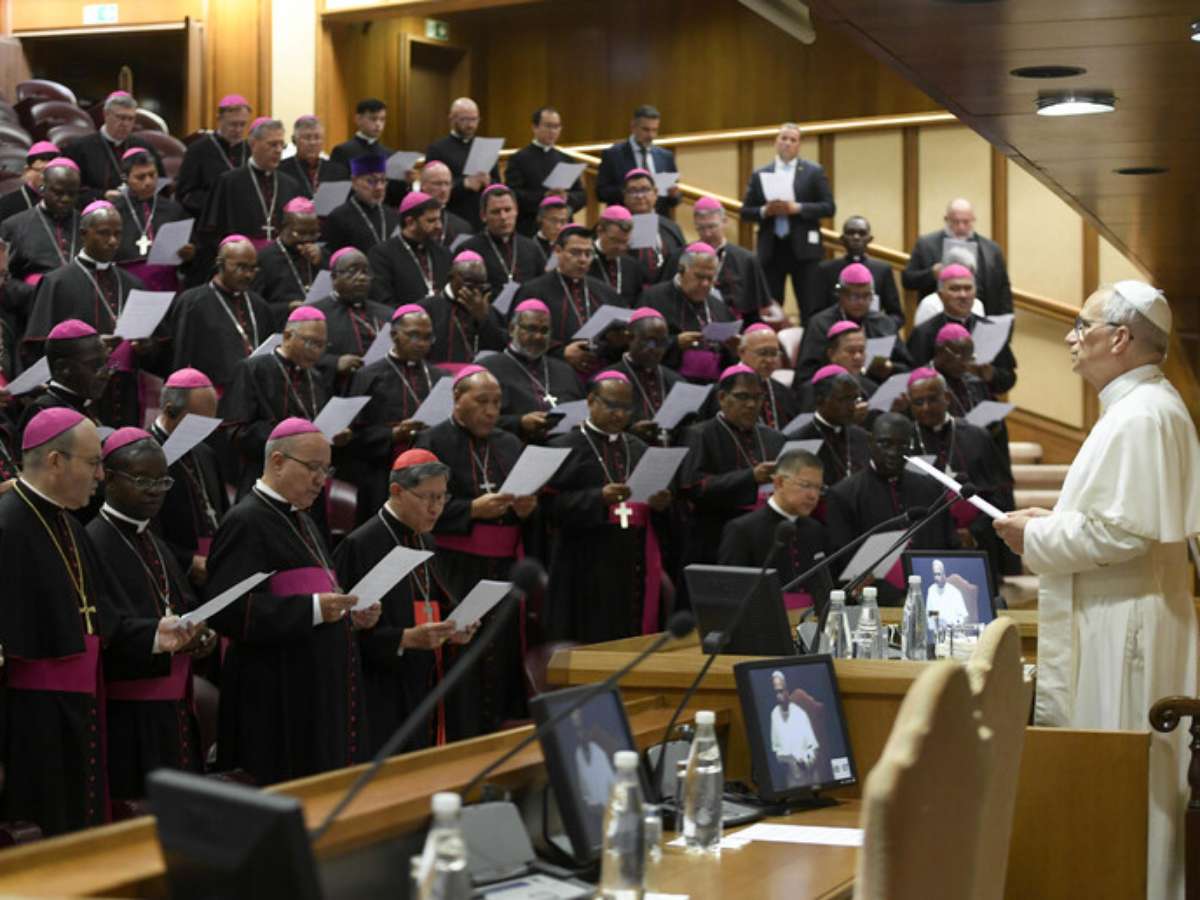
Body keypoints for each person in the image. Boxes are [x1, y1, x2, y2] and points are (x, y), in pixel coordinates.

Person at [993, 281, 1200, 900]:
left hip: (1124, 628)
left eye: (1083, 325)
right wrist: (1050, 522)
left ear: (1120, 337)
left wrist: (1034, 535)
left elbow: (1124, 531)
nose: (1070, 336)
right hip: (1126, 613)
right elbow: (1118, 519)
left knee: (1123, 777)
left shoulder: (1142, 415)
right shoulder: (1140, 406)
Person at [0, 408, 193, 834]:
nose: (101, 476)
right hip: (30, 724)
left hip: (83, 708)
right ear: (55, 461)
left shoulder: (72, 526)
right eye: (92, 463)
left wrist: (155, 634)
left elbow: (102, 620)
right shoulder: (7, 525)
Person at [204, 418, 378, 784]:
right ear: (278, 461)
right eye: (313, 468)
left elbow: (318, 592)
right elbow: (227, 611)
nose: (321, 480)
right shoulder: (246, 521)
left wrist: (348, 615)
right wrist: (314, 609)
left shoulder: (303, 519)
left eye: (326, 470)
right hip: (276, 694)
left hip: (314, 688)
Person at [86, 428, 209, 802]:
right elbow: (105, 630)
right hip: (131, 719)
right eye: (143, 480)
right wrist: (159, 636)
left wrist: (201, 636)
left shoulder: (155, 542)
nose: (155, 490)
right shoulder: (93, 541)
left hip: (176, 710)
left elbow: (183, 604)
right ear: (109, 478)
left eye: (162, 480)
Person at [414, 367, 537, 737]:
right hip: (454, 567)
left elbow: (529, 505)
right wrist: (470, 510)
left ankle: (499, 729)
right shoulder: (431, 442)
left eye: (497, 403)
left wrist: (528, 509)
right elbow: (418, 506)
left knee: (501, 652)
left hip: (504, 565)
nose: (491, 411)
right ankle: (460, 736)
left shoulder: (510, 443)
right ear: (457, 399)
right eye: (482, 401)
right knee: (463, 652)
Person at [334, 449, 478, 752]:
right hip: (382, 690)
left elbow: (434, 602)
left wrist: (453, 629)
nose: (436, 508)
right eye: (427, 498)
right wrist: (405, 639)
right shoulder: (359, 545)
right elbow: (343, 633)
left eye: (442, 498)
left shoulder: (425, 539)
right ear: (397, 491)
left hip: (424, 676)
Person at [546, 370, 672, 642]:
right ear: (591, 401)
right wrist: (597, 498)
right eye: (612, 406)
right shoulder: (563, 446)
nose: (620, 414)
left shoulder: (638, 447)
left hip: (633, 557)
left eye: (626, 408)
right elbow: (548, 508)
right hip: (584, 558)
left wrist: (659, 504)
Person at [24, 201, 152, 427]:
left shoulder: (133, 283)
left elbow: (156, 351)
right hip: (78, 394)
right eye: (104, 233)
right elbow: (38, 348)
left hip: (125, 393)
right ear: (83, 234)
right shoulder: (57, 283)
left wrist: (146, 346)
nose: (112, 241)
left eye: (117, 234)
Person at [825, 413, 958, 605]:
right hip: (873, 602)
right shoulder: (844, 494)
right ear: (870, 442)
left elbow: (948, 545)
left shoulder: (931, 488)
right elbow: (846, 564)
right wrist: (897, 598)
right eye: (885, 444)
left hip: (933, 594)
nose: (893, 452)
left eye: (902, 445)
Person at [904, 367, 1017, 578]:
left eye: (932, 399)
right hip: (926, 543)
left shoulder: (976, 436)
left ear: (946, 397)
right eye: (918, 402)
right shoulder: (904, 440)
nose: (926, 408)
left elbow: (1000, 492)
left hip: (974, 542)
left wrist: (975, 531)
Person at [221, 306, 340, 497]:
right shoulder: (253, 369)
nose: (317, 352)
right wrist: (291, 440)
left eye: (322, 345)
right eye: (311, 343)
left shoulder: (316, 377)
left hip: (309, 482)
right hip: (265, 476)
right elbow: (237, 431)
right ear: (287, 336)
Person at [347, 305, 449, 520]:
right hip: (382, 472)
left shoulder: (441, 377)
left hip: (432, 469)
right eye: (414, 335)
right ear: (394, 335)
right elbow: (353, 436)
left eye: (428, 337)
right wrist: (392, 435)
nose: (422, 343)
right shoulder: (367, 376)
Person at [680, 364, 786, 565]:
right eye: (742, 397)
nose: (751, 404)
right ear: (722, 398)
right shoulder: (700, 434)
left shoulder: (775, 438)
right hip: (716, 536)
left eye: (757, 397)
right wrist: (750, 477)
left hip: (765, 535)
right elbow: (694, 487)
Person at [741, 123, 835, 323]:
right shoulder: (761, 173)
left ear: (799, 145)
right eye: (784, 138)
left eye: (793, 140)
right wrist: (765, 211)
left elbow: (829, 207)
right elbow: (746, 212)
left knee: (810, 306)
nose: (787, 143)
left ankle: (809, 342)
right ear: (776, 142)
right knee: (770, 308)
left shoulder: (813, 171)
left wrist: (797, 208)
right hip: (772, 249)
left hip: (804, 251)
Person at [148, 368, 228, 587]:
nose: (206, 432)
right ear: (170, 410)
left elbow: (221, 512)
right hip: (175, 575)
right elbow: (144, 530)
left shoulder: (206, 453)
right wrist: (188, 562)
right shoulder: (145, 456)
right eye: (199, 423)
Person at [719, 449, 827, 610]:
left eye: (818, 488)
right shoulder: (742, 530)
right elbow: (730, 592)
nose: (813, 496)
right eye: (806, 485)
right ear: (779, 483)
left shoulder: (815, 529)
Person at [170, 234, 273, 396]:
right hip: (212, 395)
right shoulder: (192, 302)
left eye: (253, 268)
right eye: (241, 267)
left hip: (254, 393)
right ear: (220, 264)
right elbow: (180, 357)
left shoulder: (259, 305)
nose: (248, 275)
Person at [514, 223, 621, 372]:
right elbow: (517, 336)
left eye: (588, 254)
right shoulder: (533, 290)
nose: (583, 259)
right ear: (558, 251)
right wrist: (562, 352)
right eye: (575, 253)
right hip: (551, 369)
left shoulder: (606, 292)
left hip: (600, 369)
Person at [906, 264, 1017, 398]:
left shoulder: (990, 328)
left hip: (982, 403)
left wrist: (991, 374)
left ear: (975, 292)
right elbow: (911, 380)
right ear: (940, 295)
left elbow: (1009, 378)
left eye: (968, 288)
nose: (963, 295)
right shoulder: (924, 332)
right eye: (955, 289)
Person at [199, 117, 304, 259]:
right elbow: (212, 232)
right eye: (273, 144)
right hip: (241, 261)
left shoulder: (290, 184)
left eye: (282, 145)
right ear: (253, 143)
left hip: (280, 261)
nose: (279, 150)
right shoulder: (229, 182)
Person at [482, 299, 584, 441]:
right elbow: (477, 419)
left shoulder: (565, 371)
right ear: (511, 329)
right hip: (516, 447)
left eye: (544, 331)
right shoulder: (487, 370)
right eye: (531, 328)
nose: (538, 336)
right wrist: (519, 423)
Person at [794, 262, 911, 385]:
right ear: (840, 295)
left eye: (866, 296)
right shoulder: (820, 324)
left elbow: (907, 367)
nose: (860, 302)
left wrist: (889, 367)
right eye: (854, 296)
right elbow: (805, 376)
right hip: (834, 391)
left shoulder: (884, 323)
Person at [663, 196, 771, 322]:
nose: (707, 233)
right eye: (701, 228)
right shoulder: (679, 257)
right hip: (688, 323)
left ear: (725, 221)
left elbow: (757, 310)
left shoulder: (746, 259)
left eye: (712, 227)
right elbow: (667, 297)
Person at [642, 241, 738, 382]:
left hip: (714, 386)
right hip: (668, 382)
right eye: (699, 276)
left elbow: (729, 360)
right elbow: (642, 345)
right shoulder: (653, 299)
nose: (705, 284)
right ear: (681, 270)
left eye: (710, 278)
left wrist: (734, 349)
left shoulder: (719, 307)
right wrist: (675, 343)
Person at [902, 198, 1012, 316]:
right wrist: (931, 273)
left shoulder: (992, 249)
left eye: (966, 222)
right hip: (939, 317)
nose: (961, 227)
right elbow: (907, 280)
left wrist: (1007, 320)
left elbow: (1004, 290)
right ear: (946, 219)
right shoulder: (926, 245)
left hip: (983, 315)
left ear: (973, 220)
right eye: (955, 222)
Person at [113, 148, 194, 293]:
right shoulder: (114, 211)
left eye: (152, 175)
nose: (148, 182)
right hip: (125, 285)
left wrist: (188, 254)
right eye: (140, 177)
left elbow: (188, 257)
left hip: (166, 286)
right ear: (126, 179)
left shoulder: (173, 209)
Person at [17, 320, 112, 439]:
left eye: (106, 363)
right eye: (95, 365)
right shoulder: (43, 415)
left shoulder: (84, 403)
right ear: (63, 369)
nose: (105, 374)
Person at [504, 107, 586, 237]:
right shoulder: (519, 159)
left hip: (563, 228)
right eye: (548, 126)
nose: (552, 131)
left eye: (556, 127)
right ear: (535, 127)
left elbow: (581, 196)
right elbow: (512, 195)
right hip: (531, 227)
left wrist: (567, 197)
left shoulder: (566, 159)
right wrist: (544, 197)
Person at [421, 249, 507, 372]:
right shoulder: (426, 308)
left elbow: (500, 348)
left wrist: (483, 319)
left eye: (481, 285)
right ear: (451, 277)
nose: (475, 290)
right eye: (469, 283)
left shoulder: (489, 311)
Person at [64, 91, 162, 199]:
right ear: (106, 114)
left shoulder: (144, 147)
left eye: (130, 119)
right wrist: (103, 195)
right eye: (121, 117)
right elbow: (71, 191)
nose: (126, 124)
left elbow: (161, 186)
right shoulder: (79, 148)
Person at [310, 246, 391, 376]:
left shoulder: (387, 313)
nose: (361, 277)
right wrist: (335, 362)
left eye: (365, 272)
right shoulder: (314, 314)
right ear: (334, 277)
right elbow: (298, 354)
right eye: (352, 271)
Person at [0, 157, 82, 283]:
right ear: (42, 189)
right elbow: (4, 281)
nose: (65, 199)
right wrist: (34, 289)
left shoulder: (86, 224)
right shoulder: (13, 226)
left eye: (72, 194)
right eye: (58, 192)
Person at [810, 216, 902, 327]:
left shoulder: (883, 269)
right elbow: (815, 313)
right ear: (842, 239)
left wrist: (880, 328)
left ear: (870, 239)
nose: (856, 237)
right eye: (851, 233)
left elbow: (896, 315)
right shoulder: (826, 269)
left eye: (862, 233)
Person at [424, 97, 501, 230]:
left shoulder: (485, 147)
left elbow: (498, 184)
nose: (470, 125)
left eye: (474, 119)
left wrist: (489, 182)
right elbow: (432, 190)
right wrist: (464, 184)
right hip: (454, 218)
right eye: (464, 119)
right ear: (451, 119)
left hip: (483, 219)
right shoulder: (437, 149)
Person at [789, 365, 871, 489]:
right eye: (844, 399)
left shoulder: (862, 437)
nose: (851, 407)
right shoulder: (799, 441)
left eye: (854, 399)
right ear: (820, 400)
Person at [251, 196, 326, 327]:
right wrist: (288, 307)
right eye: (300, 233)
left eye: (313, 233)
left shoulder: (321, 254)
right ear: (283, 228)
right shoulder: (265, 258)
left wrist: (322, 262)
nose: (307, 239)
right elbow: (254, 307)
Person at [612, 307, 684, 443]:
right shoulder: (609, 381)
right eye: (650, 342)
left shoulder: (676, 381)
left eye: (663, 343)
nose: (657, 350)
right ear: (630, 338)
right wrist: (631, 434)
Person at [459, 184, 546, 296]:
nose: (503, 217)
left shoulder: (531, 248)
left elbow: (543, 286)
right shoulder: (469, 250)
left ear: (516, 211)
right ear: (483, 216)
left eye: (508, 210)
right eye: (496, 212)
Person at [367, 190, 450, 307]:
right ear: (410, 222)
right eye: (431, 220)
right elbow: (382, 301)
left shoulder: (443, 253)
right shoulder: (382, 255)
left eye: (439, 219)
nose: (439, 226)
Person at [176, 94, 252, 219]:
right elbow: (186, 195)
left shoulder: (251, 149)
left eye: (243, 124)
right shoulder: (197, 150)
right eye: (233, 124)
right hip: (209, 220)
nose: (238, 130)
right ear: (219, 119)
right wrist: (220, 203)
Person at [595, 104, 679, 216]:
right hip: (625, 220)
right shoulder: (613, 155)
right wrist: (631, 191)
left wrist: (674, 195)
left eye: (654, 130)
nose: (651, 135)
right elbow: (601, 193)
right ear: (633, 127)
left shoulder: (666, 157)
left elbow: (674, 200)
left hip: (657, 219)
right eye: (646, 130)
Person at [792, 321, 878, 412]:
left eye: (861, 350)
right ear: (832, 354)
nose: (858, 357)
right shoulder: (812, 390)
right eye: (851, 351)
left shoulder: (872, 388)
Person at [322, 154, 399, 255]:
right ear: (354, 182)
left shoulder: (392, 215)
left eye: (383, 180)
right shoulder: (338, 217)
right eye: (371, 181)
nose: (379, 187)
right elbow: (332, 257)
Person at [620, 168, 684, 283]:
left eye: (645, 189)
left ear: (655, 193)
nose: (639, 196)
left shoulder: (672, 227)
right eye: (633, 191)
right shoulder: (616, 226)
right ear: (624, 196)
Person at [736, 323, 800, 431]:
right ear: (742, 352)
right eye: (763, 353)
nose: (769, 360)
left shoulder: (782, 391)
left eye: (774, 353)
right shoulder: (728, 390)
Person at [768, 670, 820, 787]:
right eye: (776, 692)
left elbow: (814, 748)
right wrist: (783, 760)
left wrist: (805, 762)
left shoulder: (800, 714)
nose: (779, 696)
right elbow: (775, 749)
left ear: (787, 691)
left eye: (781, 691)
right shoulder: (774, 715)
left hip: (809, 779)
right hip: (790, 780)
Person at [279, 114, 349, 199]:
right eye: (307, 138)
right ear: (294, 140)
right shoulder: (280, 170)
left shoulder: (338, 171)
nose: (312, 143)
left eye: (317, 137)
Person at [588, 205, 644, 306]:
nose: (621, 248)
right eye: (615, 240)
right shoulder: (585, 261)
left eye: (625, 242)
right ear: (600, 231)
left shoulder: (632, 265)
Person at [0, 140, 60, 224]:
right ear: (27, 170)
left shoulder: (67, 201)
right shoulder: (6, 204)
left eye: (53, 171)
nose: (47, 177)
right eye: (42, 171)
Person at [418, 160, 473, 250]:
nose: (443, 189)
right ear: (423, 185)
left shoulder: (462, 227)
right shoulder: (410, 222)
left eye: (447, 184)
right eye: (437, 184)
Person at [572, 708, 615, 810]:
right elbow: (583, 784)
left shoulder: (600, 748)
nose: (580, 734)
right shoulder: (579, 753)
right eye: (577, 730)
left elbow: (611, 780)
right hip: (595, 806)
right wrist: (588, 801)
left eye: (581, 729)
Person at [924, 558, 968, 626]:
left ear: (944, 574)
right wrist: (939, 617)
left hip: (953, 629)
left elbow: (964, 616)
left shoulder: (954, 592)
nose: (936, 578)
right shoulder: (931, 590)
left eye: (938, 574)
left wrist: (952, 622)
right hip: (936, 629)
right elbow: (929, 613)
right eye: (934, 574)